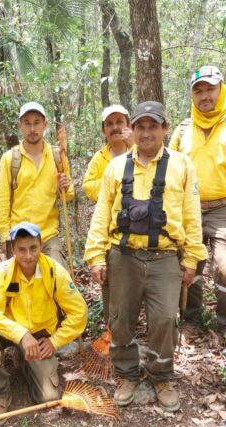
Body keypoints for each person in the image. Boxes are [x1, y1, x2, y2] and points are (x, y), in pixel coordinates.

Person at [84, 101, 207, 411]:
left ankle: (161, 375)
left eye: (154, 126)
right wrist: (96, 256)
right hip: (123, 256)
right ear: (133, 130)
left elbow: (192, 215)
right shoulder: (115, 167)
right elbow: (102, 214)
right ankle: (126, 374)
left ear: (165, 128)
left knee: (165, 318)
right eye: (141, 126)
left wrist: (192, 258)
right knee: (120, 318)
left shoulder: (181, 165)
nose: (147, 132)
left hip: (165, 257)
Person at [169, 66, 226, 336]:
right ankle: (190, 320)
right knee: (188, 265)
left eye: (210, 88)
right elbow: (170, 170)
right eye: (198, 91)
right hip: (189, 208)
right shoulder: (184, 128)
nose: (204, 96)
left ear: (221, 88)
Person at [0, 222, 87, 424]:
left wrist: (55, 341)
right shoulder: (3, 271)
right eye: (21, 250)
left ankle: (24, 360)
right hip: (7, 331)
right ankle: (0, 393)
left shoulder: (53, 272)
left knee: (48, 398)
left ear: (41, 245)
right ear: (12, 250)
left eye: (33, 248)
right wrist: (21, 335)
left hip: (39, 335)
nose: (28, 256)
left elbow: (80, 312)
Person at [0, 102, 74, 268]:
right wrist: (5, 238)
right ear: (20, 126)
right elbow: (1, 200)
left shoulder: (57, 156)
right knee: (17, 288)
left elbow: (69, 195)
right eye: (27, 123)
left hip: (48, 235)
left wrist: (65, 187)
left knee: (59, 283)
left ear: (45, 125)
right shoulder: (10, 159)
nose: (32, 129)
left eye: (37, 123)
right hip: (19, 235)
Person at [82, 104, 133, 325]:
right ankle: (113, 327)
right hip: (110, 225)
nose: (115, 128)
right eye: (110, 124)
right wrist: (112, 184)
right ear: (104, 130)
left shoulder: (140, 149)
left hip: (142, 227)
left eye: (119, 122)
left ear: (128, 125)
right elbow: (88, 186)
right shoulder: (100, 158)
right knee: (111, 279)